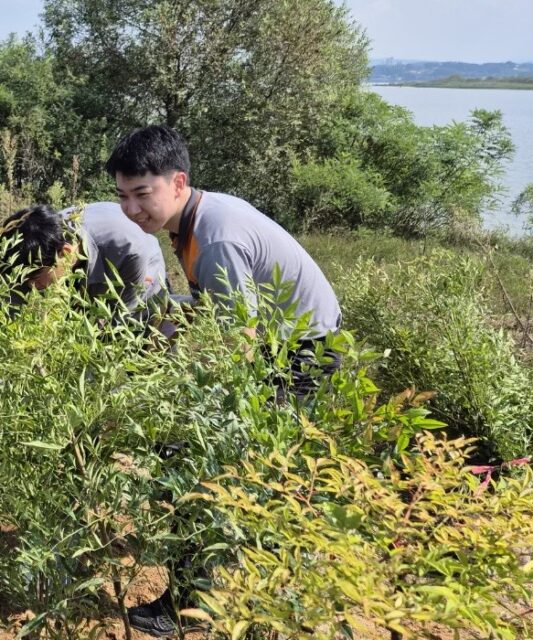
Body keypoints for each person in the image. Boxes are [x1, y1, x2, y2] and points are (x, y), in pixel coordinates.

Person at [105, 124, 342, 637]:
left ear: (178, 182)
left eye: (142, 194)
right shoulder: (194, 218)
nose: (131, 209)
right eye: (122, 196)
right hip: (280, 345)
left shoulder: (216, 235)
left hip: (300, 356)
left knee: (201, 465)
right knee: (215, 466)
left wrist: (172, 393)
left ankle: (203, 605)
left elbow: (237, 340)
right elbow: (220, 310)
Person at [0, 202, 168, 316]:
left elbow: (120, 322)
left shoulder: (129, 250)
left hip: (141, 279)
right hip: (86, 274)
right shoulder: (40, 244)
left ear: (65, 253)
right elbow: (11, 302)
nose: (31, 287)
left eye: (34, 280)